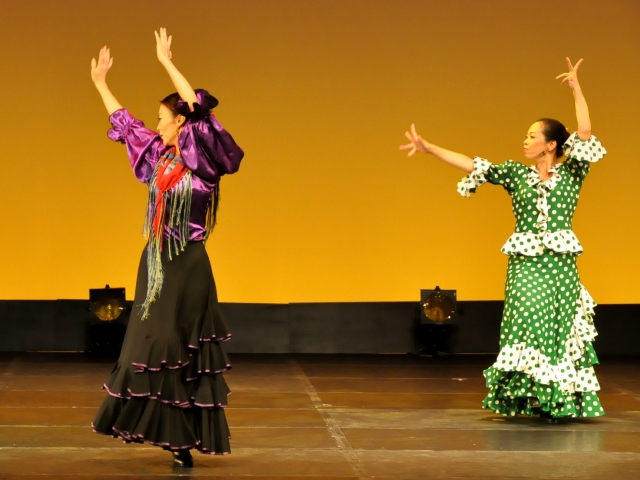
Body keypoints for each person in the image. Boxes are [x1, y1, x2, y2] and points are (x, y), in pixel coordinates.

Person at [400, 58, 606, 421]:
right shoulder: (515, 174)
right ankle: (530, 392)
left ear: (550, 144)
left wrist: (576, 88)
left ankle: (553, 396)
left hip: (560, 266)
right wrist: (430, 148)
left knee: (556, 327)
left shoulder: (573, 172)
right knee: (527, 318)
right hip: (526, 263)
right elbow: (473, 165)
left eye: (532, 135)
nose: (525, 140)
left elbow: (585, 132)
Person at [90, 28, 244, 466]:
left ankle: (181, 440)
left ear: (180, 124)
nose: (156, 124)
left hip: (188, 266)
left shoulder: (204, 162)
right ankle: (170, 433)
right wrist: (101, 85)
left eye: (163, 117)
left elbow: (196, 109)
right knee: (148, 347)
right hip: (156, 261)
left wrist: (166, 63)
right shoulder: (159, 156)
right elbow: (127, 125)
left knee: (180, 349)